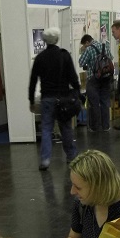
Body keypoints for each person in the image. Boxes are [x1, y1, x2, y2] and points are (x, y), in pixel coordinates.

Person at [28, 26, 81, 170]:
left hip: (47, 98)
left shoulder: (40, 58)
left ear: (45, 41)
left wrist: (31, 100)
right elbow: (73, 76)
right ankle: (71, 156)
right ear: (57, 39)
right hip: (63, 98)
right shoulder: (64, 55)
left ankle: (45, 160)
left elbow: (33, 80)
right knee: (65, 127)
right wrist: (77, 92)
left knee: (46, 129)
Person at [78, 34, 114, 133]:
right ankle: (106, 126)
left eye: (84, 45)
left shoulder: (89, 49)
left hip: (93, 79)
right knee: (105, 102)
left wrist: (83, 51)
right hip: (106, 78)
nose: (84, 47)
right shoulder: (104, 46)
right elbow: (111, 58)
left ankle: (95, 127)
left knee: (94, 103)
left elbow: (81, 63)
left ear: (87, 42)